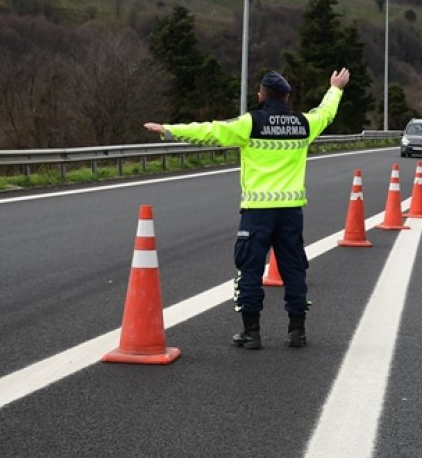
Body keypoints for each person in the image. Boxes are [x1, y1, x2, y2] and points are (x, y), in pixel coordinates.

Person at [144, 68, 350, 350]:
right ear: (288, 97)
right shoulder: (303, 123)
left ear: (260, 96)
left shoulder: (250, 122)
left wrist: (168, 130)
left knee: (250, 269)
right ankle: (297, 331)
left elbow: (211, 131)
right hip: (291, 210)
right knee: (294, 269)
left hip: (257, 211)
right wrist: (335, 88)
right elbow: (325, 113)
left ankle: (251, 333)